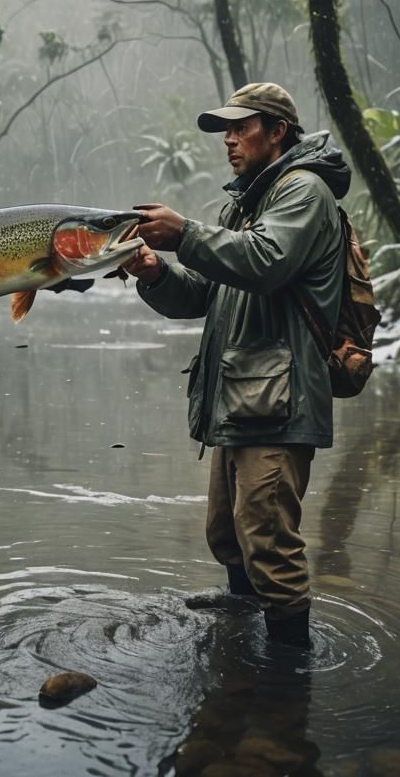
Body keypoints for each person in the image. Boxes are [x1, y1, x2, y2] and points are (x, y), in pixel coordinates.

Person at [125, 82, 351, 648]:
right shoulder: (246, 203)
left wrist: (184, 233)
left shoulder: (304, 192)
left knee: (268, 539)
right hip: (243, 397)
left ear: (277, 131)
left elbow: (264, 261)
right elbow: (205, 293)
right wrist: (155, 272)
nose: (228, 139)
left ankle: (286, 670)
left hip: (279, 402)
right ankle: (243, 627)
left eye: (240, 127)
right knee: (227, 532)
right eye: (225, 130)